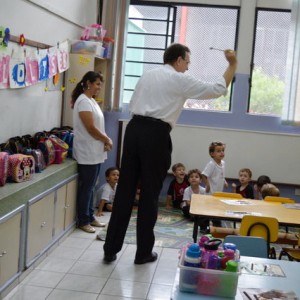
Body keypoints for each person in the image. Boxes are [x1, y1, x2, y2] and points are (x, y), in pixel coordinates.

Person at [103, 43, 237, 264]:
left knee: (125, 190)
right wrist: (232, 65)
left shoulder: (148, 75)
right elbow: (217, 89)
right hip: (155, 135)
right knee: (149, 195)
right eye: (187, 62)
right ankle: (143, 252)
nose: (187, 67)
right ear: (178, 60)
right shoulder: (179, 79)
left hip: (133, 130)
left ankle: (110, 249)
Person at [72, 71, 113, 233]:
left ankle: (90, 216)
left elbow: (97, 127)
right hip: (86, 152)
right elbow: (90, 128)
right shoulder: (83, 102)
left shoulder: (91, 101)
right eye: (97, 84)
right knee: (87, 188)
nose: (99, 88)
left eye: (100, 85)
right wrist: (107, 139)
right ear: (88, 83)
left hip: (95, 152)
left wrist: (104, 141)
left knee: (91, 186)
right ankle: (83, 220)